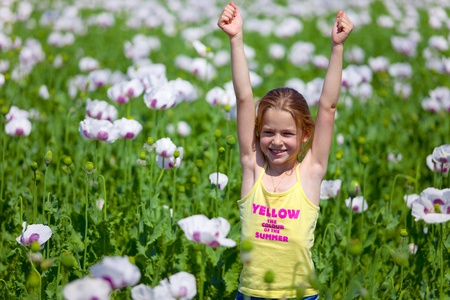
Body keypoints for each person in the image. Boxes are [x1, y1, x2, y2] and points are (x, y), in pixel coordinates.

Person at [218, 2, 354, 299]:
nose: (276, 141)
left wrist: (337, 48)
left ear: (306, 135)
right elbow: (244, 98)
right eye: (268, 132)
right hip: (251, 295)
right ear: (258, 133)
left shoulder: (311, 173)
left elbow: (328, 109)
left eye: (287, 133)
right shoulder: (252, 168)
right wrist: (236, 39)